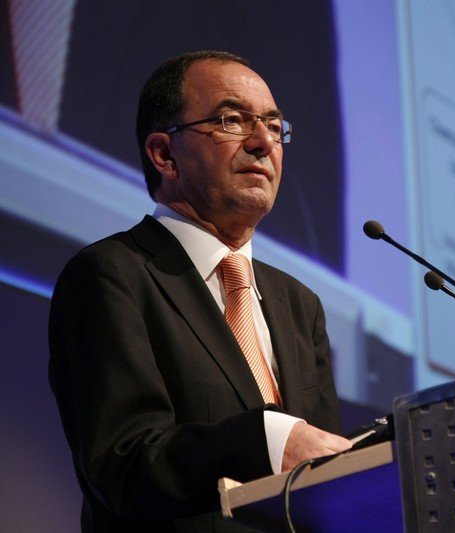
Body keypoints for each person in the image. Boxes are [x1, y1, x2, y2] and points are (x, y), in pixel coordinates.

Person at [49, 50, 352, 531]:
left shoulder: (299, 305)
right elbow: (122, 466)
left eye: (274, 127)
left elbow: (325, 481)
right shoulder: (111, 276)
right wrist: (266, 438)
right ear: (164, 155)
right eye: (232, 120)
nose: (262, 143)